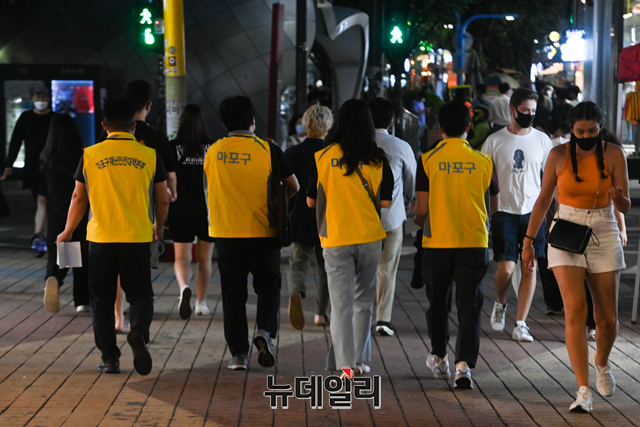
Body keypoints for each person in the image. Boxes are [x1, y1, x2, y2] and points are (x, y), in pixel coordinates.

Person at [522, 101, 629, 413]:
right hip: (566, 231)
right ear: (571, 130)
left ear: (600, 128)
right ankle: (583, 389)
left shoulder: (614, 154)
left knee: (607, 317)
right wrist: (528, 241)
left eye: (591, 131)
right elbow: (544, 199)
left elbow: (625, 206)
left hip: (604, 228)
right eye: (580, 132)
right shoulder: (558, 155)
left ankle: (602, 363)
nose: (585, 136)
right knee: (575, 312)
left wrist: (619, 198)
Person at [57, 97, 169, 376]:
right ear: (133, 126)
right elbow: (162, 199)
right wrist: (158, 226)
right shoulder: (150, 155)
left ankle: (109, 357)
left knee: (102, 299)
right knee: (140, 295)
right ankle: (139, 332)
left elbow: (78, 198)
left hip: (101, 239)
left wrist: (68, 230)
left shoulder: (90, 155)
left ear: (104, 125)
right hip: (137, 237)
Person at [204, 96, 299, 371]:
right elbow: (293, 186)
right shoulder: (269, 150)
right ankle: (265, 331)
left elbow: (208, 188)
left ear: (224, 124)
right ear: (253, 120)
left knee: (233, 295)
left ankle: (238, 355)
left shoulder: (213, 151)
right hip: (264, 232)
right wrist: (277, 206)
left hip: (226, 233)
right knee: (268, 287)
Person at [415, 101, 499, 389]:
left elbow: (422, 210)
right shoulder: (484, 162)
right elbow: (494, 206)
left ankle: (440, 358)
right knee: (470, 304)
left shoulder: (428, 159)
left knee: (438, 303)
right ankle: (463, 366)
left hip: (437, 242)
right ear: (469, 127)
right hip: (474, 241)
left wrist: (422, 221)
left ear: (440, 128)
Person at [307, 99, 393, 375]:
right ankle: (358, 360)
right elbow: (386, 202)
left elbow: (310, 201)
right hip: (369, 237)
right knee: (363, 302)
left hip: (335, 237)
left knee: (340, 305)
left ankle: (345, 366)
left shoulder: (323, 157)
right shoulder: (378, 158)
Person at [481, 87, 553, 343]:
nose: (529, 115)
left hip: (533, 212)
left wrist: (548, 210)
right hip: (504, 212)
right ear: (513, 110)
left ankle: (521, 323)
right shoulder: (494, 141)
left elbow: (549, 178)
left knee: (530, 268)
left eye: (533, 111)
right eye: (525, 111)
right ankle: (501, 302)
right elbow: (484, 178)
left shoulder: (542, 140)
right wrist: (487, 211)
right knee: (506, 269)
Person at [113, 80, 178, 331]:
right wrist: (171, 195)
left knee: (117, 270)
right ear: (148, 105)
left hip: (114, 210)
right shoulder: (157, 138)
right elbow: (170, 175)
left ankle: (117, 317)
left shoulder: (110, 135)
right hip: (146, 214)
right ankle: (136, 318)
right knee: (139, 270)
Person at [369, 97, 416, 336]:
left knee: (359, 269)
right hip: (392, 217)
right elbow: (411, 180)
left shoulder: (357, 145)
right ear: (391, 121)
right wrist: (410, 199)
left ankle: (357, 315)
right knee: (386, 269)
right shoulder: (401, 146)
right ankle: (383, 320)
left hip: (361, 219)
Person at [285, 105, 333, 330]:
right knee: (325, 268)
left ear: (304, 126)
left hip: (298, 215)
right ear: (328, 126)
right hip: (326, 219)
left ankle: (296, 291)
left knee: (297, 263)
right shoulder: (332, 154)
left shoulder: (292, 153)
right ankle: (320, 314)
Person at [168, 104, 216, 319]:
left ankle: (183, 287)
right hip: (207, 208)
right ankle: (201, 303)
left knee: (181, 257)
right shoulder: (213, 147)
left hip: (180, 206)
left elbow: (168, 177)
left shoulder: (172, 147)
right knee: (205, 259)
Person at [40, 113, 90, 313]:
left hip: (56, 215)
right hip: (79, 214)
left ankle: (54, 278)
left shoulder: (47, 158)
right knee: (81, 259)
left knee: (59, 255)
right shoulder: (83, 156)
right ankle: (82, 301)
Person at [1, 83, 55, 240]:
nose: (41, 100)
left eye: (43, 97)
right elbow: (16, 141)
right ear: (32, 98)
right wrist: (9, 164)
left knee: (42, 198)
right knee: (40, 199)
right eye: (38, 97)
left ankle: (39, 234)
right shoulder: (26, 118)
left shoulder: (55, 118)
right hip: (32, 167)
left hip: (51, 166)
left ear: (49, 99)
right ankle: (44, 233)